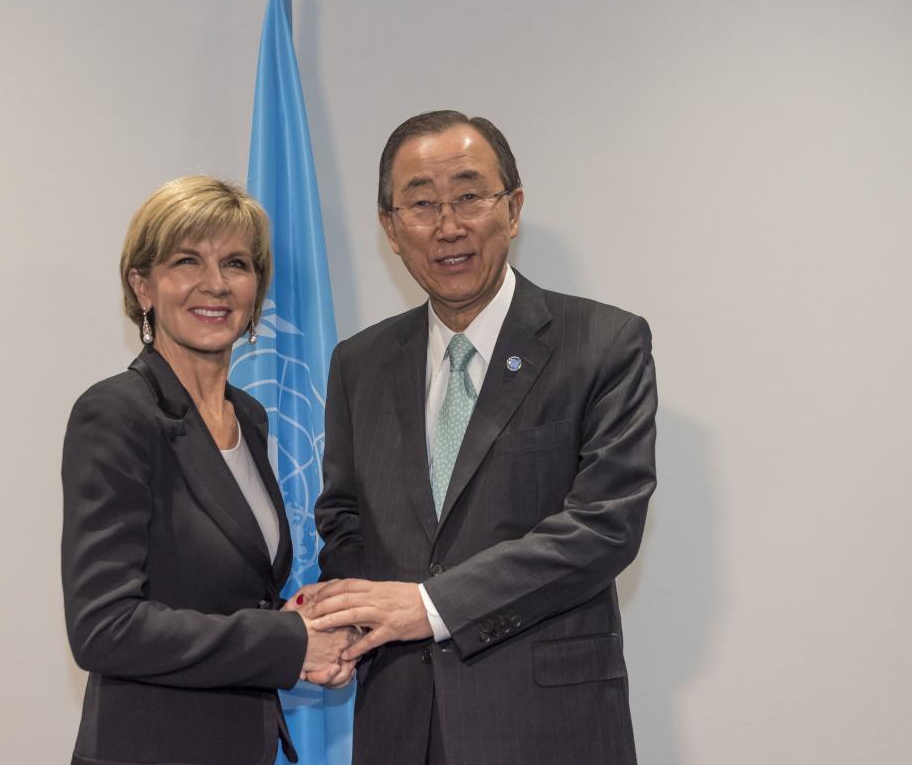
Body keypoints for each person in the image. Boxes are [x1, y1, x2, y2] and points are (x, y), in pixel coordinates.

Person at [305, 111, 658, 765]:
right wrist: (351, 607)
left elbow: (604, 527)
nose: (448, 226)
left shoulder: (604, 345)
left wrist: (430, 605)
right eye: (421, 203)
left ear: (513, 208)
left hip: (549, 727)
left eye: (469, 196)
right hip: (399, 722)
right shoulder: (359, 362)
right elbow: (343, 518)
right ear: (390, 227)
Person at [61, 175, 353, 765]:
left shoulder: (247, 417)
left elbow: (226, 588)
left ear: (255, 292)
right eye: (187, 261)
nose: (215, 284)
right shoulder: (117, 413)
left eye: (237, 264)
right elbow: (103, 627)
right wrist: (286, 642)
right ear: (142, 286)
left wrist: (297, 619)